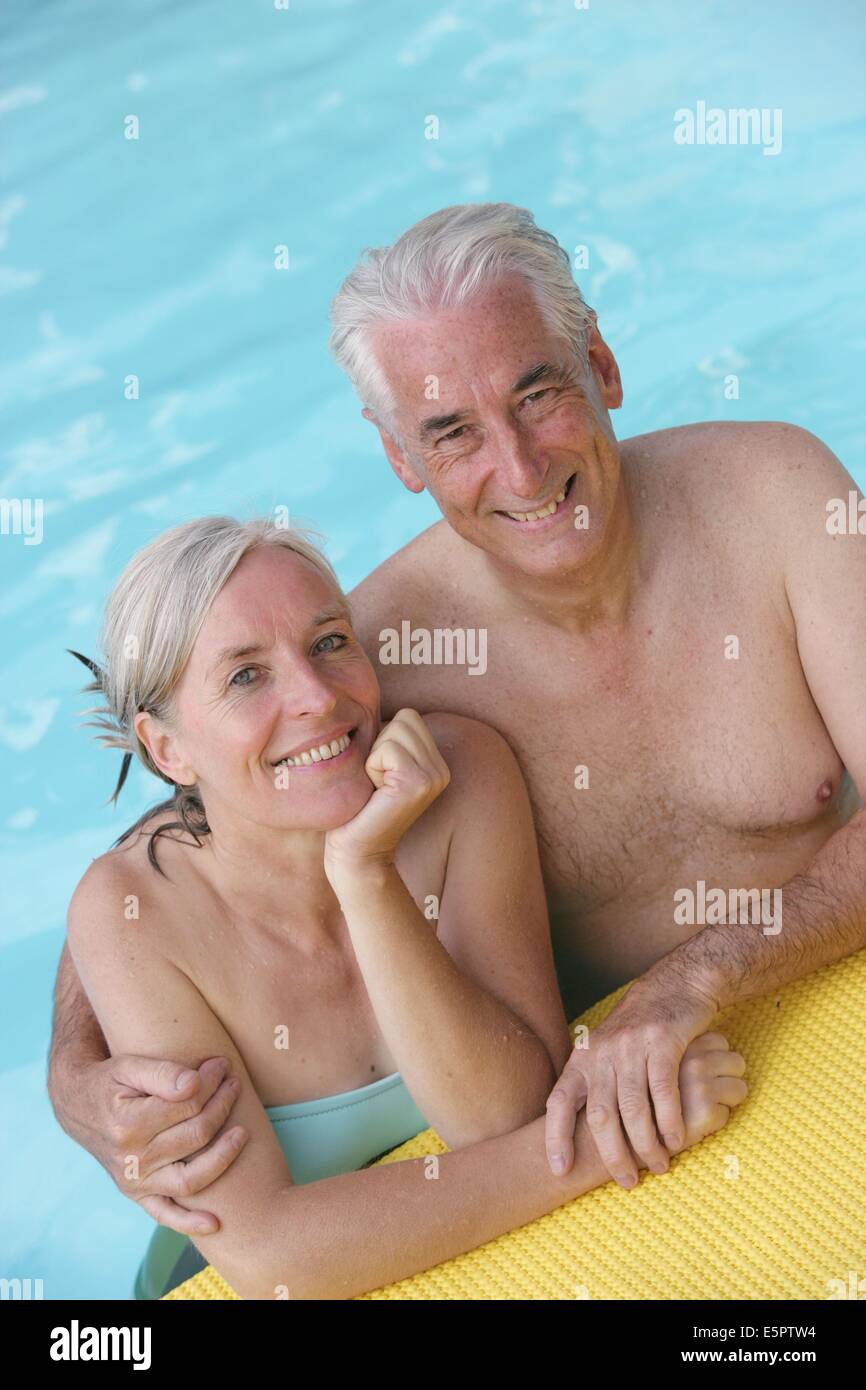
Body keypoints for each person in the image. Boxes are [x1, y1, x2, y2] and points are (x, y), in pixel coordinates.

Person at [50, 200, 862, 1230]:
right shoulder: (366, 658)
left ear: (601, 365)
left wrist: (689, 981)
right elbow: (185, 825)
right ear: (400, 458)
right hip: (595, 1122)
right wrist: (77, 1080)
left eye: (538, 392)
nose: (520, 470)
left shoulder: (776, 495)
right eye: (451, 433)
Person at [60, 513, 746, 1299]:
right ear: (166, 748)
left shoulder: (460, 776)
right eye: (246, 676)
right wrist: (593, 1146)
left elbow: (502, 1116)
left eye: (328, 643)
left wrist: (364, 873)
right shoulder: (133, 914)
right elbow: (273, 1264)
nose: (317, 697)